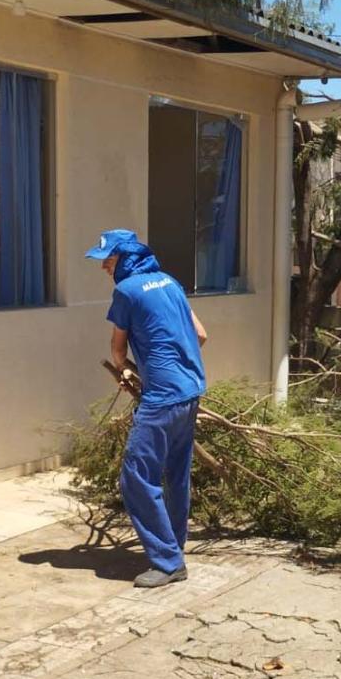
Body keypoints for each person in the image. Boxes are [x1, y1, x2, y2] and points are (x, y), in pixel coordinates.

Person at [86, 229, 208, 588]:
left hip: (162, 398)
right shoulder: (169, 282)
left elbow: (117, 350)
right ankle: (175, 548)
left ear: (125, 258)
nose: (104, 267)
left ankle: (168, 562)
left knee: (136, 477)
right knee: (176, 475)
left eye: (108, 260)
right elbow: (201, 335)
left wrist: (127, 368)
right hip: (190, 391)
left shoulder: (126, 291)